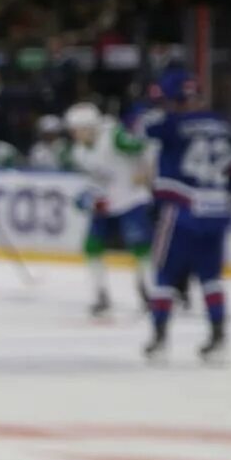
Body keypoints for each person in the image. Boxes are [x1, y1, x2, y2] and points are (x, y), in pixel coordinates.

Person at [141, 70, 231, 363]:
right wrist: (223, 198)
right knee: (211, 277)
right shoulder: (224, 125)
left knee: (164, 275)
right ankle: (218, 338)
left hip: (180, 209)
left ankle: (159, 340)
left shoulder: (172, 123)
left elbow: (143, 129)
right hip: (217, 212)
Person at [64, 102, 154, 318]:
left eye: (77, 129)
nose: (74, 134)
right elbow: (95, 179)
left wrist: (146, 169)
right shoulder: (78, 151)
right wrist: (89, 198)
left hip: (132, 199)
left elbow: (146, 145)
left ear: (89, 127)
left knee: (141, 247)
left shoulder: (115, 137)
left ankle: (148, 290)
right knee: (91, 246)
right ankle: (100, 294)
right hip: (106, 203)